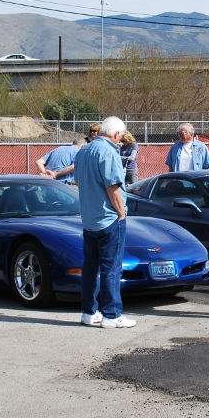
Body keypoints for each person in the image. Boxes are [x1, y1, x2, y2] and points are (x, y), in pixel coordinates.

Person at [75, 116, 135, 329]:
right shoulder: (108, 151)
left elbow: (77, 181)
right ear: (117, 134)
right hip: (109, 218)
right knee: (111, 267)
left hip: (89, 218)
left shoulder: (84, 151)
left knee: (90, 266)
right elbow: (113, 187)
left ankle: (89, 312)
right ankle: (111, 314)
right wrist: (121, 213)